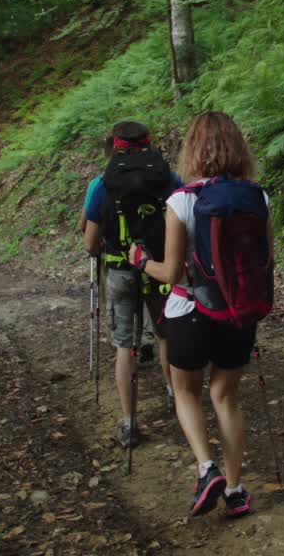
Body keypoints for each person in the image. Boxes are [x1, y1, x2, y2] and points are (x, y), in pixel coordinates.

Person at [129, 111, 267, 519]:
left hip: (188, 308)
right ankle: (237, 490)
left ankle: (207, 470)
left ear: (192, 151)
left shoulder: (181, 200)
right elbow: (264, 261)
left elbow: (170, 272)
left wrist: (141, 261)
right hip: (239, 312)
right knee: (226, 395)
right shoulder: (258, 197)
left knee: (186, 390)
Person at [83, 122, 179, 447]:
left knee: (126, 345)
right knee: (165, 335)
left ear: (115, 146)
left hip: (121, 271)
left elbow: (89, 243)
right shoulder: (167, 178)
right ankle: (174, 397)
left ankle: (129, 422)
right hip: (158, 268)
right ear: (149, 144)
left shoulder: (102, 183)